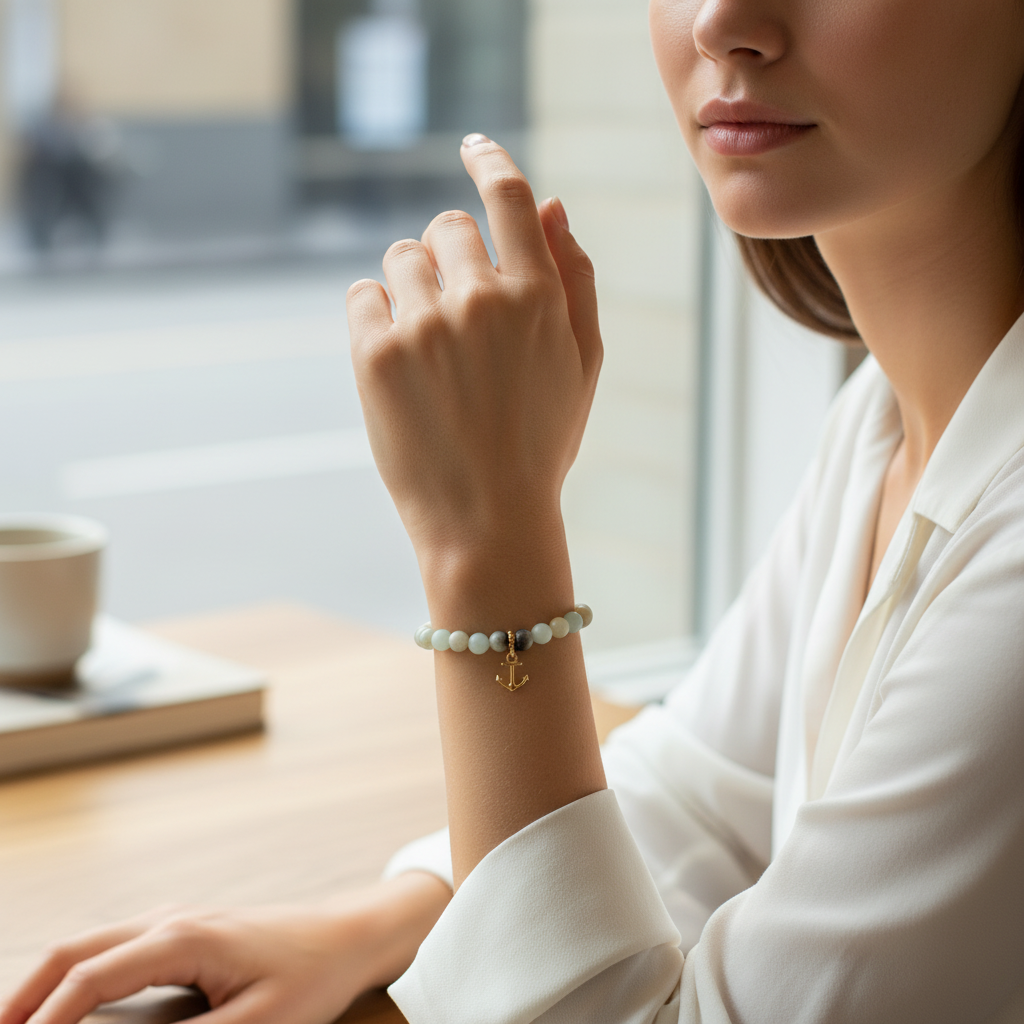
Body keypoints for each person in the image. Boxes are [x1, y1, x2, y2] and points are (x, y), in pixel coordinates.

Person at [3, 0, 1024, 1020]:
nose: (722, 22)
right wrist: (380, 922)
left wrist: (485, 536)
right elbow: (704, 797)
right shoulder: (882, 421)